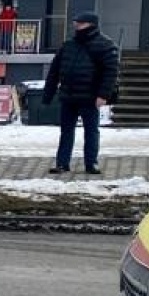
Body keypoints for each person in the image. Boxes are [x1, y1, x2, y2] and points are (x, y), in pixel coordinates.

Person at [42, 11, 119, 176]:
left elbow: (110, 72)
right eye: (76, 23)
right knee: (66, 131)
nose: (76, 25)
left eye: (80, 23)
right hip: (68, 95)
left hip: (90, 97)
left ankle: (91, 163)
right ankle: (62, 163)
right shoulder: (69, 44)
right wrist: (48, 94)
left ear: (91, 25)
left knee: (91, 131)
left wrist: (103, 95)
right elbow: (55, 70)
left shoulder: (105, 45)